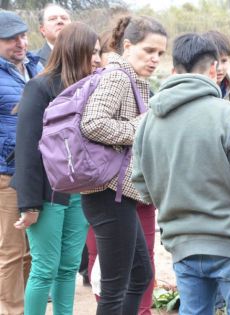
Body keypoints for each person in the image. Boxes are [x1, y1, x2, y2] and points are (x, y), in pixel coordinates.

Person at [132, 33, 230, 315]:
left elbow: (142, 188)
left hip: (183, 246)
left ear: (173, 72)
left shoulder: (148, 123)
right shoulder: (228, 115)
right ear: (212, 70)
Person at [79, 15, 166, 315]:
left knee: (140, 274)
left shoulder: (134, 79)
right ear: (127, 46)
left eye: (160, 54)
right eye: (148, 51)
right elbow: (91, 124)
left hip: (118, 195)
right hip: (105, 195)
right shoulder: (117, 76)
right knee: (115, 288)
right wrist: (138, 127)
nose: (155, 59)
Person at [11, 22, 99, 315]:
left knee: (69, 267)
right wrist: (29, 203)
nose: (98, 59)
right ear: (76, 52)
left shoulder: (91, 87)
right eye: (93, 52)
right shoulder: (40, 87)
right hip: (47, 194)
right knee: (44, 268)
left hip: (80, 192)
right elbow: (26, 149)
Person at [0, 10, 42, 315]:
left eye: (23, 35)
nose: (21, 42)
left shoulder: (36, 66)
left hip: (38, 172)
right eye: (11, 38)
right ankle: (11, 309)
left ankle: (29, 309)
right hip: (8, 172)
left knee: (32, 252)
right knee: (12, 251)